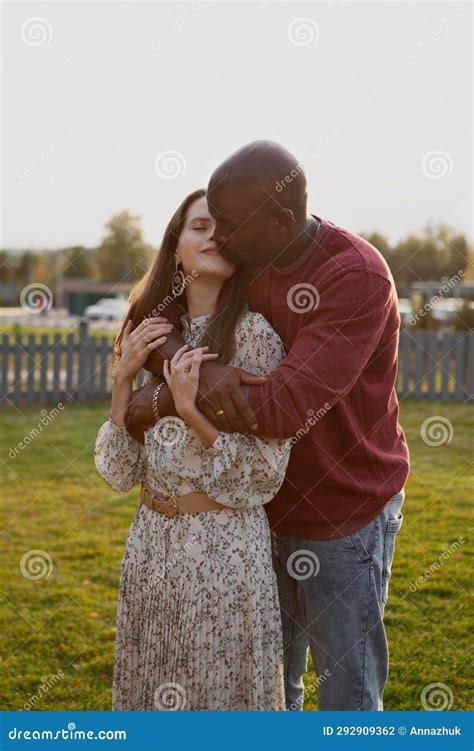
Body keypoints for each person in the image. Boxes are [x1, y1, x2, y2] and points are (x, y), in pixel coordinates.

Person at [124, 141, 410, 711]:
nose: (218, 237)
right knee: (274, 688)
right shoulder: (250, 254)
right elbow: (159, 312)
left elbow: (280, 411)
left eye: (227, 224)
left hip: (340, 508)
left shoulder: (353, 276)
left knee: (345, 693)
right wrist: (186, 374)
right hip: (254, 512)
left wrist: (170, 394)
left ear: (281, 222)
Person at [95, 188, 292, 710]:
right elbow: (119, 471)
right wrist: (123, 383)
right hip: (150, 548)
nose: (213, 237)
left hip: (225, 549)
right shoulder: (151, 332)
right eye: (199, 227)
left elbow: (263, 476)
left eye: (222, 228)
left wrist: (191, 413)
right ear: (175, 245)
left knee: (219, 703)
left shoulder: (256, 338)